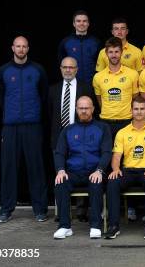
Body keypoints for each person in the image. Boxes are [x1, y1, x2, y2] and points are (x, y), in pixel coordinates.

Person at [0, 36, 48, 223]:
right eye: (17, 46)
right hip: (10, 127)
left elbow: (43, 95)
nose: (20, 49)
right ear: (12, 48)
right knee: (9, 168)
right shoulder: (4, 71)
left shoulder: (37, 70)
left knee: (36, 167)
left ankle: (40, 209)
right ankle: (6, 210)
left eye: (24, 46)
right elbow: (1, 97)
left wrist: (30, 113)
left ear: (28, 48)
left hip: (33, 126)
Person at [104, 96, 145, 240]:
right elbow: (117, 156)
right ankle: (113, 226)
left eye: (142, 109)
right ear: (131, 111)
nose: (139, 112)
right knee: (112, 182)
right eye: (136, 109)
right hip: (128, 170)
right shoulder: (122, 132)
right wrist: (116, 169)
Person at [52, 96, 111, 239]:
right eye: (81, 108)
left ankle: (96, 225)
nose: (84, 111)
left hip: (94, 171)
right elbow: (59, 152)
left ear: (93, 109)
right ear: (76, 110)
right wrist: (60, 170)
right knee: (60, 183)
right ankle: (65, 226)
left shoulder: (102, 128)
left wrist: (99, 170)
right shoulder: (68, 130)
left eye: (87, 108)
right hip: (73, 172)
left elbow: (107, 152)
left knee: (96, 183)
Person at [48, 57, 95, 222]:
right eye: (65, 67)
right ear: (60, 69)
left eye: (71, 67)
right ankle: (62, 212)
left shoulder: (85, 88)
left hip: (80, 138)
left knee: (81, 169)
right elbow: (49, 116)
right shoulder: (52, 90)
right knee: (61, 174)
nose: (68, 70)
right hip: (59, 138)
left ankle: (82, 211)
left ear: (77, 69)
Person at [92, 37, 139, 137]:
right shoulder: (98, 77)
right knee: (106, 152)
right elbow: (99, 100)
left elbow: (134, 97)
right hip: (105, 122)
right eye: (111, 52)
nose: (114, 55)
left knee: (127, 153)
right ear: (106, 53)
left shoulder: (133, 74)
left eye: (117, 51)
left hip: (126, 121)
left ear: (121, 52)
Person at [58, 10, 100, 83]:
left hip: (93, 84)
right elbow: (61, 64)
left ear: (88, 23)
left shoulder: (96, 42)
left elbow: (101, 64)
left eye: (84, 21)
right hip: (72, 84)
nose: (81, 23)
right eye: (78, 21)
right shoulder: (65, 42)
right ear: (74, 24)